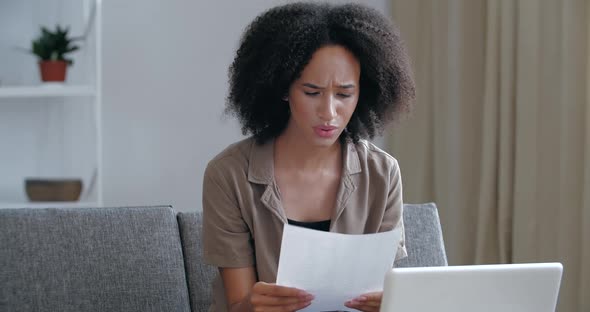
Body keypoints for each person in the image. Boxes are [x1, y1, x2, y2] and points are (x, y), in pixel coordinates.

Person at [202, 2, 415, 312]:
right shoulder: (229, 175)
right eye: (312, 92)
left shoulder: (382, 173)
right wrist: (254, 304)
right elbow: (237, 304)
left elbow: (387, 290)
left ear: (363, 92)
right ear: (283, 88)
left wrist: (393, 303)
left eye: (344, 94)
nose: (329, 113)